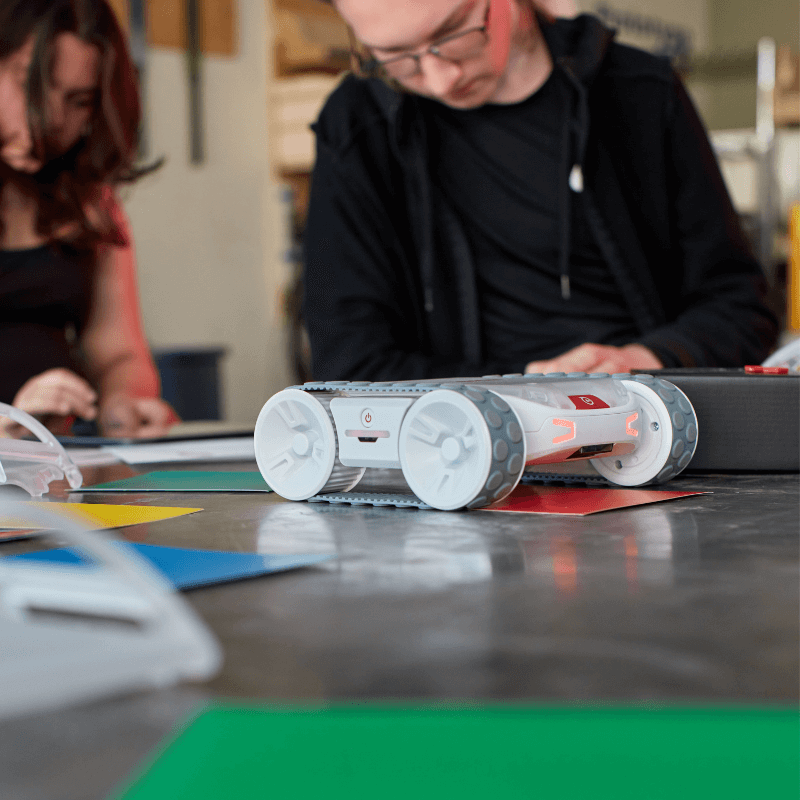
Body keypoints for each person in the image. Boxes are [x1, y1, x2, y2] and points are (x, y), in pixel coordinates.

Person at [302, 0, 778, 381]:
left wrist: (649, 359)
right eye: (396, 58)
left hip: (648, 424)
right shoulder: (358, 128)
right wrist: (526, 387)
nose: (442, 78)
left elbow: (740, 308)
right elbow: (349, 367)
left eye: (453, 34)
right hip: (459, 446)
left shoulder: (642, 93)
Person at [0, 0, 176, 438]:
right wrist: (8, 422)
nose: (50, 123)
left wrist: (122, 402)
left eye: (79, 101)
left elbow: (119, 355)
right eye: (30, 87)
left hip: (53, 467)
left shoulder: (92, 203)